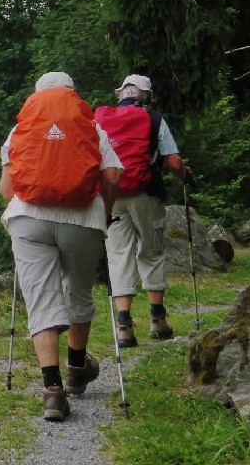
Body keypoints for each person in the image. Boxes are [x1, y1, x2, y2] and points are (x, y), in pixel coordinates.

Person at [0, 72, 122, 422]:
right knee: (79, 293)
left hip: (28, 220)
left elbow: (8, 191)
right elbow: (112, 177)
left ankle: (52, 392)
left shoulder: (20, 130)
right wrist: (107, 210)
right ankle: (76, 370)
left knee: (40, 298)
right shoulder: (92, 128)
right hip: (82, 220)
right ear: (72, 96)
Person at [96, 74, 189, 346]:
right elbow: (172, 162)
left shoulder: (101, 119)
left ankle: (124, 327)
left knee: (118, 255)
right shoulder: (154, 118)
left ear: (120, 94)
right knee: (151, 252)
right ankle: (157, 320)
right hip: (146, 194)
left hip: (111, 195)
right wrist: (185, 176)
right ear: (145, 95)